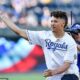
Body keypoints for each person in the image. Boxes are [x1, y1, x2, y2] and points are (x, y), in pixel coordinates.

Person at [0, 11, 79, 80]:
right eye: (51, 21)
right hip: (53, 76)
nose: (52, 23)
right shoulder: (44, 36)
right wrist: (3, 17)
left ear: (63, 24)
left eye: (55, 21)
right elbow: (19, 32)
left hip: (69, 75)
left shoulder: (70, 41)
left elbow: (66, 65)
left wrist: (53, 72)